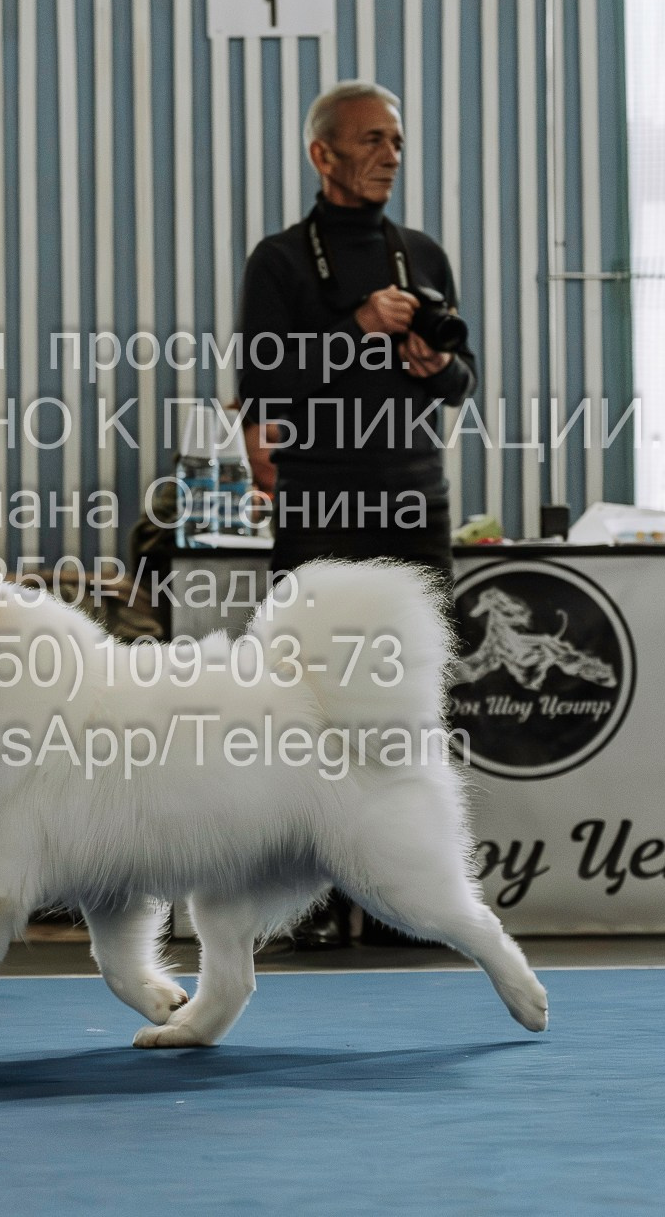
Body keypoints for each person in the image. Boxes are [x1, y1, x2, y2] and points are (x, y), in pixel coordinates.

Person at [236, 80, 478, 948]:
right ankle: (302, 898)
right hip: (321, 499)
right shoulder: (280, 261)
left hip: (413, 495)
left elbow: (462, 380)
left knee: (415, 697)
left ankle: (409, 896)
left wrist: (427, 363)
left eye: (398, 142)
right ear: (322, 155)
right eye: (371, 141)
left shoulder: (421, 252)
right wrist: (356, 328)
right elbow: (262, 386)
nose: (389, 156)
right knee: (306, 701)